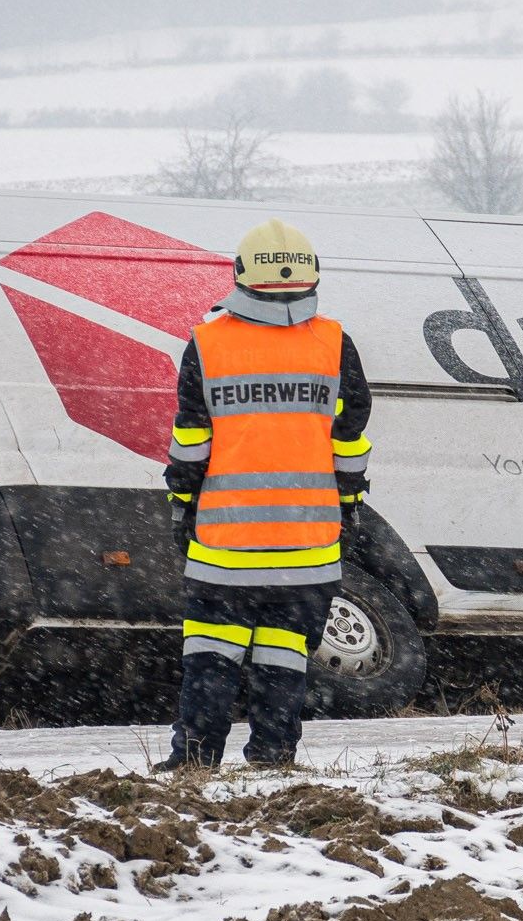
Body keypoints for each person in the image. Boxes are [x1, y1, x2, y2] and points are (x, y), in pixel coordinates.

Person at [155, 219, 372, 769]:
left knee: (211, 654)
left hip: (225, 543)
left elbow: (191, 439)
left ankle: (195, 760)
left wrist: (182, 502)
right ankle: (273, 755)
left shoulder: (208, 343)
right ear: (312, 275)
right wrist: (348, 505)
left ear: (240, 275)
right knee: (285, 654)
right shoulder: (334, 344)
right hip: (307, 544)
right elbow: (350, 437)